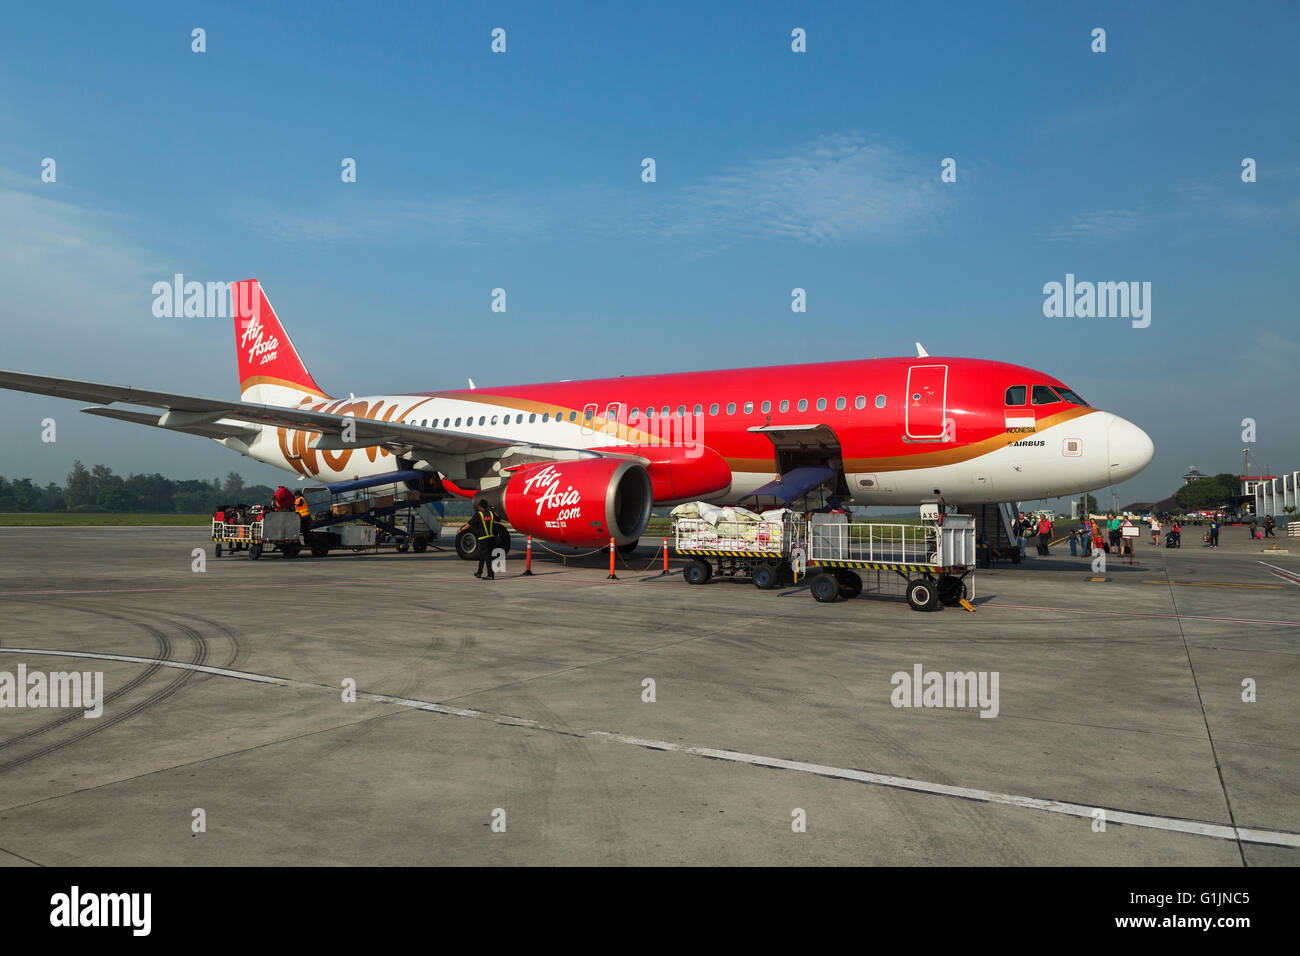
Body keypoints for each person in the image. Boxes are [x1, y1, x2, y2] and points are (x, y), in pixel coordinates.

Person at [470, 501, 498, 579]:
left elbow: (469, 524)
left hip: (483, 539)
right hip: (491, 538)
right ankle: (479, 572)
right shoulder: (491, 514)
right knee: (482, 555)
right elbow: (498, 519)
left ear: (480, 507)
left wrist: (461, 530)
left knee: (487, 557)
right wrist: (493, 511)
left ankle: (490, 574)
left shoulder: (479, 515)